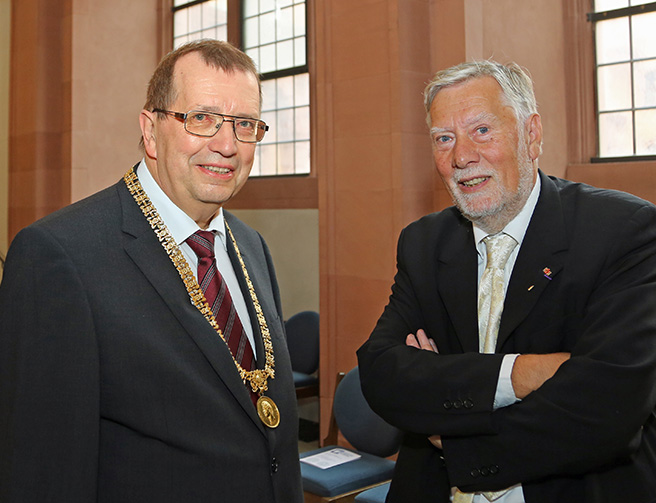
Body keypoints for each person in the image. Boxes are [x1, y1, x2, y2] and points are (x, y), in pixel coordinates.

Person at [0, 40, 303, 503]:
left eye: (245, 125)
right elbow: (42, 469)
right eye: (201, 118)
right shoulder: (59, 256)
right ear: (150, 129)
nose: (226, 145)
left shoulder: (251, 246)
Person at [357, 60, 656, 503]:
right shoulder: (423, 243)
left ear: (531, 135)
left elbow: (607, 408)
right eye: (444, 138)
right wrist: (520, 374)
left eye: (482, 130)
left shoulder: (623, 231)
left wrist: (453, 428)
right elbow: (382, 375)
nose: (461, 157)